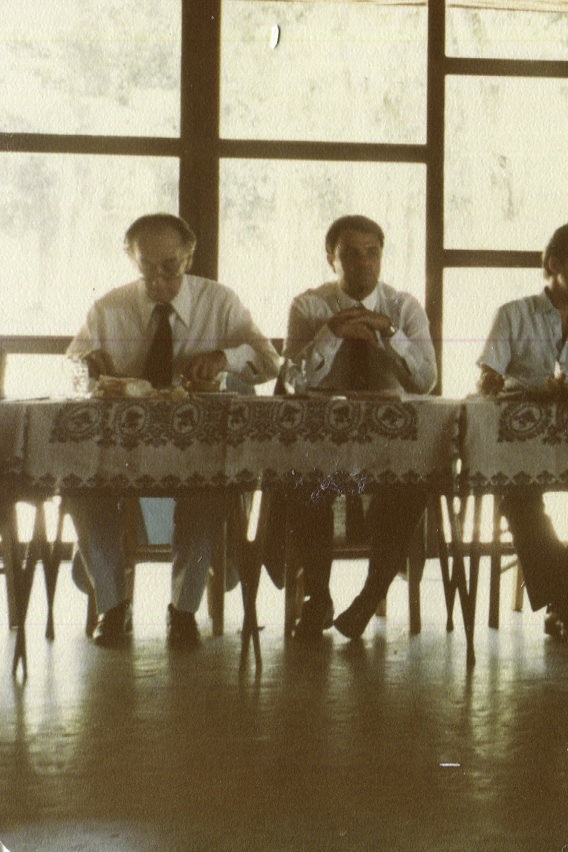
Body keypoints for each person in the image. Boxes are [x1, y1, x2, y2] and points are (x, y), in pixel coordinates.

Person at [65, 213, 280, 649]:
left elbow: (269, 361)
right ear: (131, 258)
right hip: (122, 451)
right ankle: (112, 606)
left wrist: (224, 358)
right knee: (80, 484)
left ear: (189, 257)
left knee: (211, 486)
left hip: (195, 449)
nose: (159, 279)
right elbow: (73, 362)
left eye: (170, 266)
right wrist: (87, 366)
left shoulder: (218, 301)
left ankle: (183, 610)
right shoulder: (109, 308)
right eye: (147, 267)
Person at [281, 214, 438, 640]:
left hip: (388, 445)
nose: (363, 263)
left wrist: (391, 334)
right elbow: (295, 382)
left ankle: (370, 597)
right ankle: (317, 597)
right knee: (301, 480)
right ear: (331, 258)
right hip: (325, 443)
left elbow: (426, 382)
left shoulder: (403, 308)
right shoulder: (309, 307)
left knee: (411, 483)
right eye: (350, 253)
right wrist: (330, 333)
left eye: (372, 253)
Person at [477, 223, 568, 641]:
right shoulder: (513, 314)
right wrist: (494, 380)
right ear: (553, 263)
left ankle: (564, 602)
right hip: (525, 447)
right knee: (518, 496)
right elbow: (488, 380)